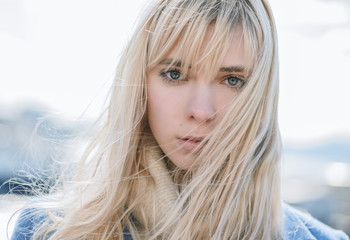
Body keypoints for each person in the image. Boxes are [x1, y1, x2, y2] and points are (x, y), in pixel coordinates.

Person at [10, 0, 349, 239]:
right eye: (174, 74)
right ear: (139, 82)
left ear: (261, 94)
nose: (201, 111)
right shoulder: (50, 231)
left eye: (232, 80)